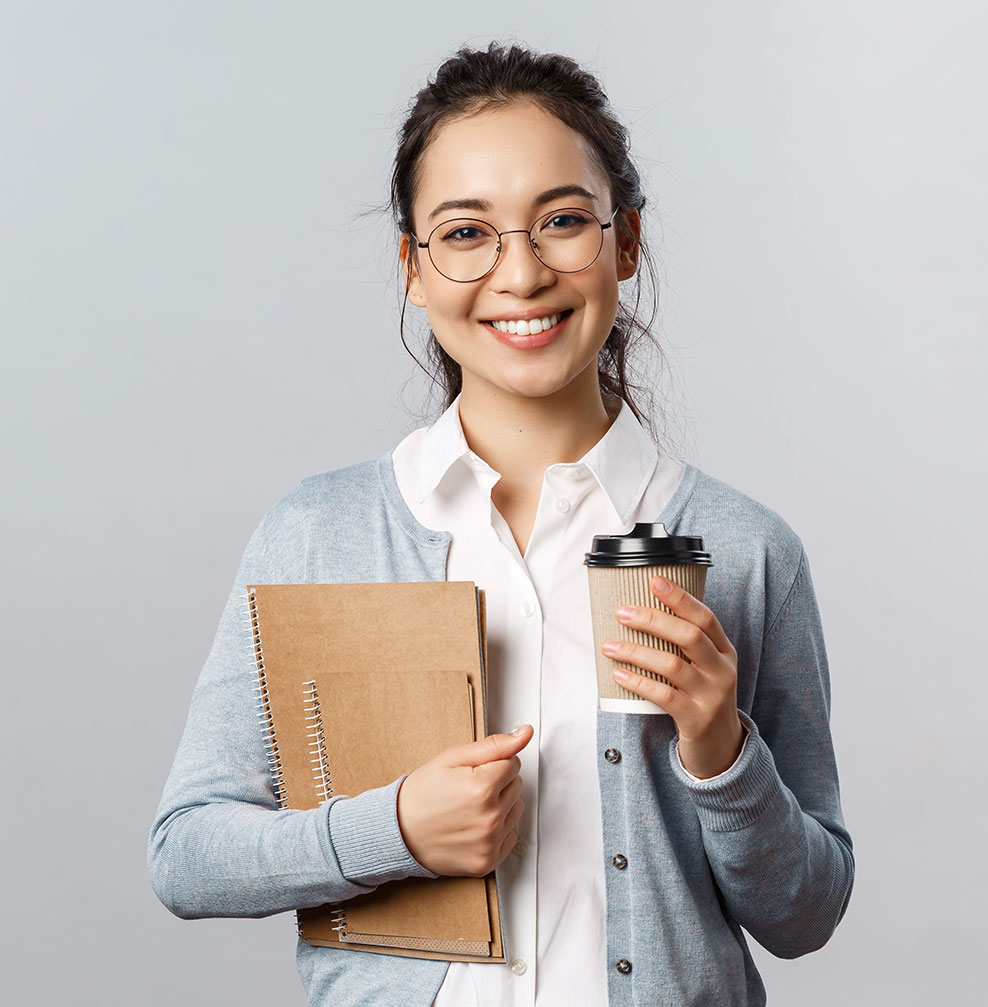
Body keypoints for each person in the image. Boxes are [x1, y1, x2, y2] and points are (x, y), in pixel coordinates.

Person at [149, 41, 854, 1007]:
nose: (520, 274)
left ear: (627, 244)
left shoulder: (744, 548)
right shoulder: (318, 534)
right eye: (466, 232)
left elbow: (806, 913)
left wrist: (722, 750)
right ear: (413, 265)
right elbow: (186, 854)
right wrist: (391, 827)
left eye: (563, 221)